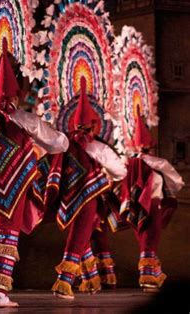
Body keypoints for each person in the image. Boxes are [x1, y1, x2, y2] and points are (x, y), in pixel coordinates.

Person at [0, 40, 69, 307]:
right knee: (8, 233)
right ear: (15, 95)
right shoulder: (23, 118)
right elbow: (59, 143)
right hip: (15, 184)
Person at [33, 77, 127, 299]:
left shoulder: (65, 141)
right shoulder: (97, 147)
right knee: (80, 238)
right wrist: (108, 177)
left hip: (67, 197)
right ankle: (63, 283)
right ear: (95, 125)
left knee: (81, 237)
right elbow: (120, 171)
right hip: (88, 199)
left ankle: (90, 281)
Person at [119, 106, 184, 291]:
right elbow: (177, 181)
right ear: (151, 145)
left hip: (135, 208)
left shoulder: (129, 163)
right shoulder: (158, 162)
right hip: (152, 204)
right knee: (151, 240)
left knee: (145, 239)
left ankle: (155, 274)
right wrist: (168, 191)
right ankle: (147, 277)